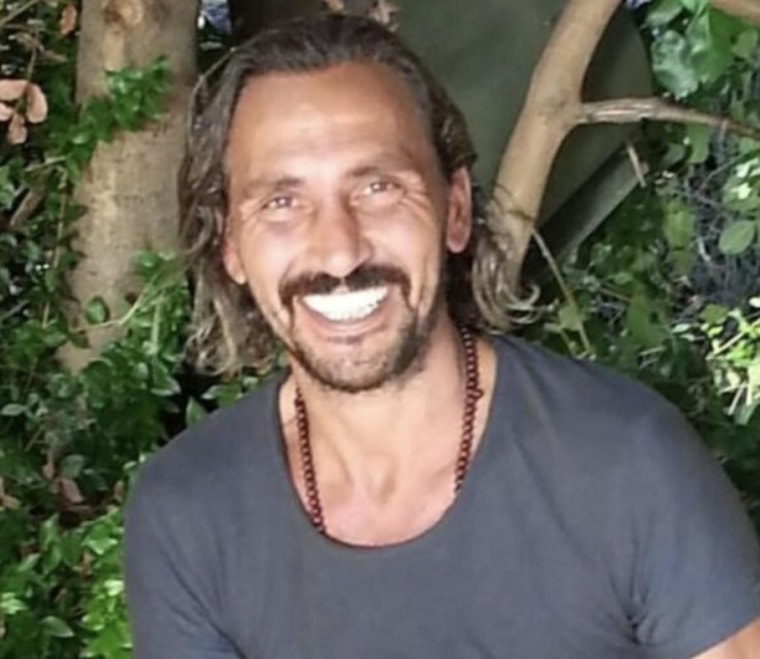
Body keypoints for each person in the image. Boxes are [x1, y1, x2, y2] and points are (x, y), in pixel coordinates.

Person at [124, 13, 760, 659]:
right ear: (230, 246)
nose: (339, 252)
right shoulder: (189, 511)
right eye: (282, 203)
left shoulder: (625, 463)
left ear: (455, 209)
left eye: (378, 187)